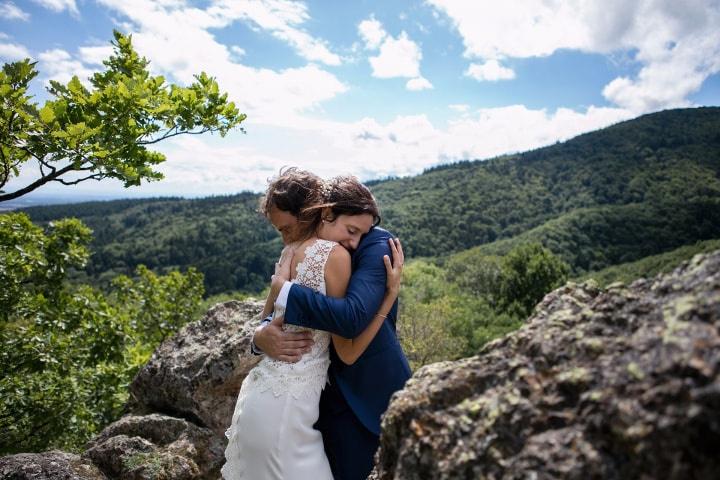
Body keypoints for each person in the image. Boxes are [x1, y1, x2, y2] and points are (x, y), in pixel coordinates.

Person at [222, 169, 407, 480]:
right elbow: (266, 321)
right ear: (326, 213)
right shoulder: (305, 252)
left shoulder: (375, 245)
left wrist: (285, 289)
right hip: (305, 404)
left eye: (360, 232)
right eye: (351, 230)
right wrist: (259, 336)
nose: (354, 241)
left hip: (363, 394)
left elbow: (349, 320)